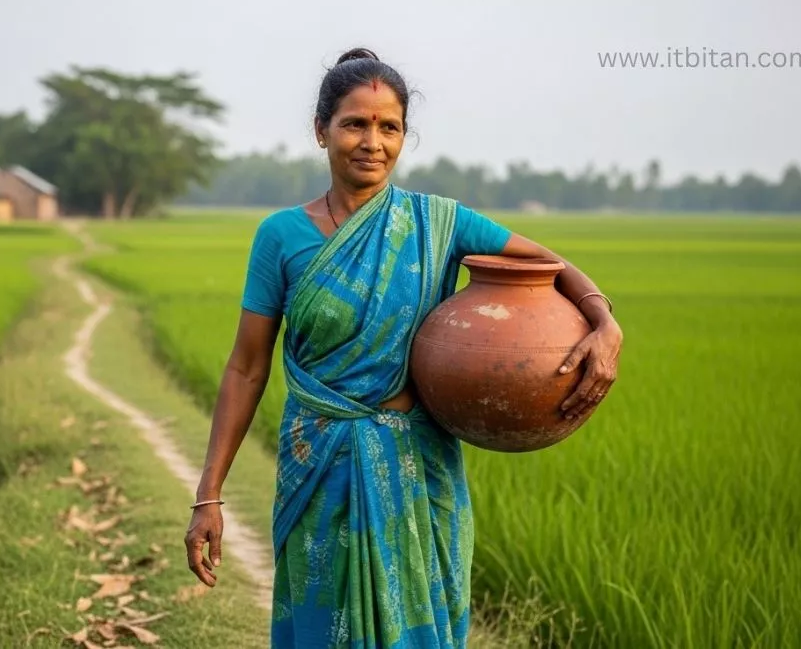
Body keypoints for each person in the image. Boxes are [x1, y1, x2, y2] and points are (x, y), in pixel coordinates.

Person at [184, 47, 623, 648]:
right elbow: (245, 368)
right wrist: (208, 495)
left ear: (404, 136)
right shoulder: (280, 236)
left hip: (419, 471)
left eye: (389, 126)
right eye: (354, 123)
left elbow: (552, 266)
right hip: (319, 465)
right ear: (321, 131)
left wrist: (604, 321)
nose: (373, 141)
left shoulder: (437, 223)